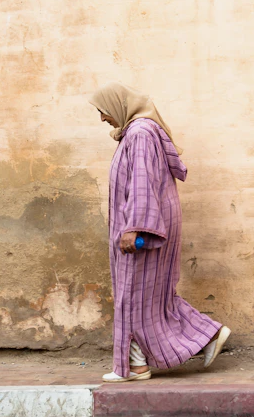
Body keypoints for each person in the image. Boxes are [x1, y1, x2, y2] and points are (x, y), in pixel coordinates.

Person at [89, 82, 231, 382]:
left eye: (103, 110)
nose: (102, 118)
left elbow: (142, 183)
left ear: (118, 106)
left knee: (133, 293)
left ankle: (136, 365)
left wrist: (134, 227)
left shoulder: (140, 133)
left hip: (143, 227)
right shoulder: (136, 133)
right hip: (148, 222)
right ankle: (204, 335)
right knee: (149, 293)